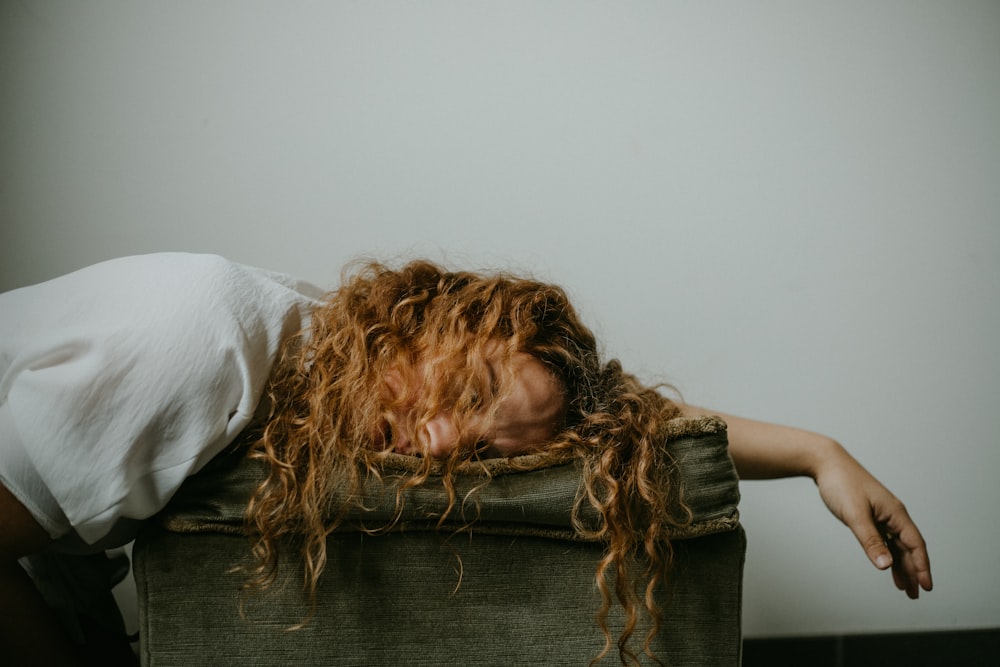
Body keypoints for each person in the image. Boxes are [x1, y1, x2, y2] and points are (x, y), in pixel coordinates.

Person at [1, 253, 932, 666]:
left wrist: (819, 452)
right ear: (427, 320)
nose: (443, 446)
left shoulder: (315, 354)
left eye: (484, 446)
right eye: (470, 388)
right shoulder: (203, 343)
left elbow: (629, 416)